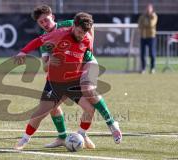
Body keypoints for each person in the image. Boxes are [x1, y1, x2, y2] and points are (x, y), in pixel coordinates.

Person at [13, 12, 121, 150]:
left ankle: (85, 132)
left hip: (74, 81)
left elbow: (88, 35)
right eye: (41, 22)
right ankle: (25, 139)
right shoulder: (58, 34)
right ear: (74, 27)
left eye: (84, 33)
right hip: (55, 83)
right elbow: (39, 44)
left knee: (89, 107)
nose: (82, 35)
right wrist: (23, 52)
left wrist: (89, 55)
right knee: (41, 113)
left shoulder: (85, 36)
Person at [138, 3, 158, 74]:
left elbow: (151, 24)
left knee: (152, 54)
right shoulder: (142, 16)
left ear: (152, 9)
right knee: (142, 54)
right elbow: (140, 25)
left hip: (151, 37)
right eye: (147, 8)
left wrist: (146, 23)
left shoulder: (154, 16)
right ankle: (143, 68)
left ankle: (152, 68)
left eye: (149, 8)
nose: (148, 10)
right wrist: (144, 24)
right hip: (143, 37)